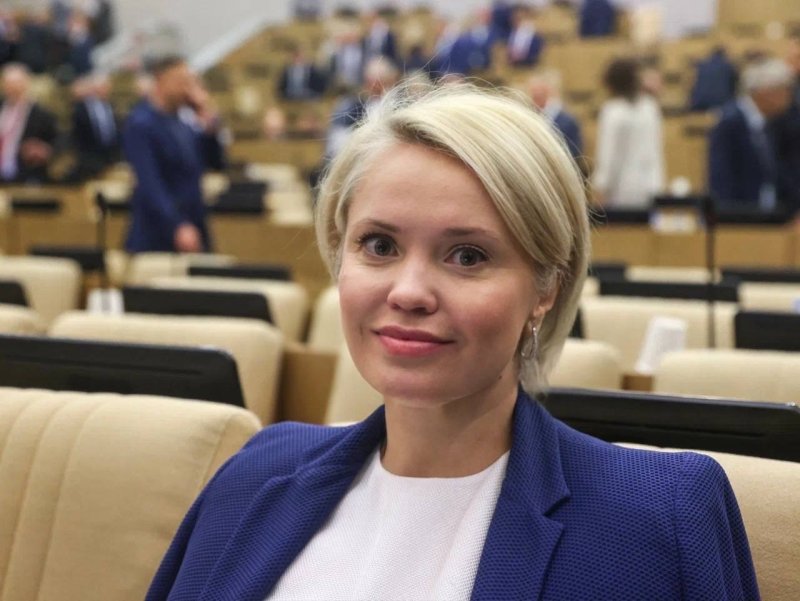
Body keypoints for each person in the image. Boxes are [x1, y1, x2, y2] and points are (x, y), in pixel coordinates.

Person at [146, 82, 758, 600]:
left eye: (467, 256)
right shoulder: (256, 473)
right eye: (379, 245)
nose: (409, 292)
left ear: (546, 288)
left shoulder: (661, 517)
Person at [123, 55, 225, 253]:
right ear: (161, 80)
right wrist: (177, 224)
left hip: (193, 222)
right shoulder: (141, 123)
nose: (188, 88)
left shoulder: (184, 122)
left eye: (190, 81)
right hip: (159, 231)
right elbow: (150, 183)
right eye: (181, 81)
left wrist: (209, 124)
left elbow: (216, 163)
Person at [708, 57, 793, 210]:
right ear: (765, 92)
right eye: (784, 90)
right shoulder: (730, 122)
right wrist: (728, 217)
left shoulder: (771, 123)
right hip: (742, 215)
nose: (788, 98)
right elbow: (721, 179)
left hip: (768, 213)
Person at [592, 57, 664, 208]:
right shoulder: (650, 108)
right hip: (651, 186)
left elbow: (608, 155)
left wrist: (601, 186)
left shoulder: (612, 112)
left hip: (621, 191)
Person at [0, 62, 58, 184]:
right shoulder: (2, 109)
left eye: (17, 85)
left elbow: (58, 142)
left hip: (28, 176)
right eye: (9, 85)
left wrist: (44, 150)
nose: (13, 90)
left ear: (26, 84)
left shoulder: (42, 115)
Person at [67, 73, 120, 181]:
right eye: (104, 86)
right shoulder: (80, 108)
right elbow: (76, 136)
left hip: (110, 157)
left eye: (108, 87)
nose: (107, 89)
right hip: (88, 158)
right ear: (94, 88)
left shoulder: (111, 107)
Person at [527, 70, 583, 163]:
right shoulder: (532, 118)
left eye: (539, 94)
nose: (534, 97)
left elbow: (575, 154)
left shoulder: (567, 121)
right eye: (533, 93)